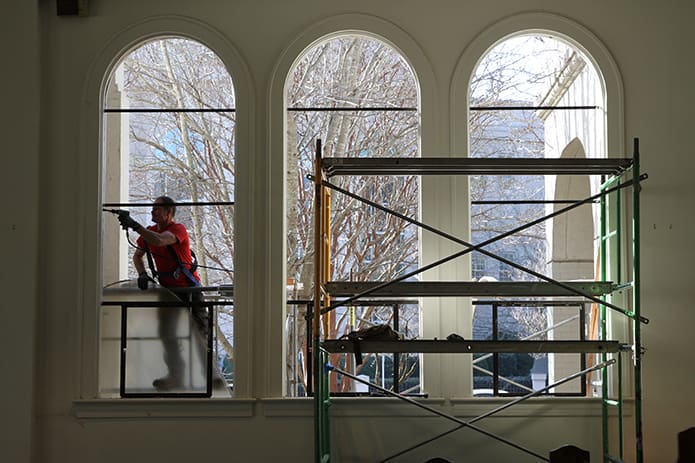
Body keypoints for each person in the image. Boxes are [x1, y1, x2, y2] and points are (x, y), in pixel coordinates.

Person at [118, 195, 208, 391]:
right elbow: (137, 255)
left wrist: (134, 225)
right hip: (168, 291)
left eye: (158, 209)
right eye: (153, 208)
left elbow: (159, 241)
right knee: (167, 333)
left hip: (189, 290)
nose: (153, 211)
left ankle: (207, 375)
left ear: (169, 213)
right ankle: (176, 375)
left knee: (199, 332)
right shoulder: (149, 233)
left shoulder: (177, 230)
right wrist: (142, 274)